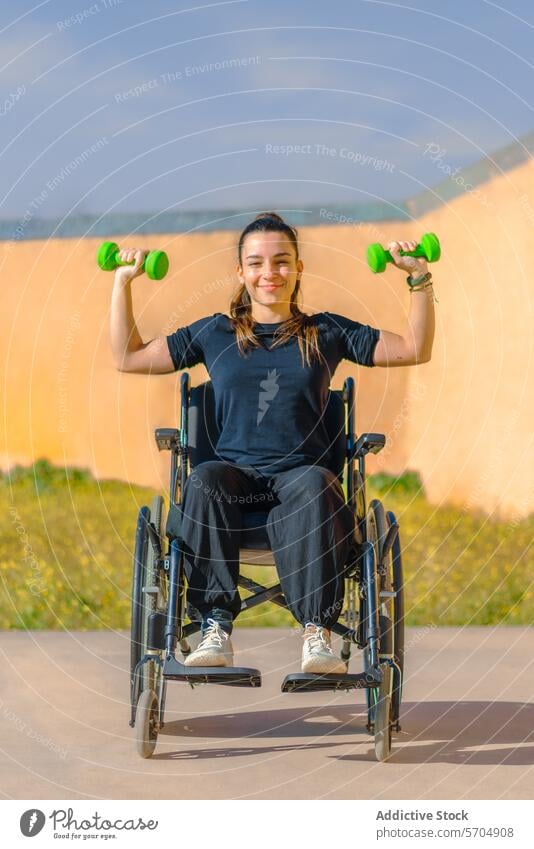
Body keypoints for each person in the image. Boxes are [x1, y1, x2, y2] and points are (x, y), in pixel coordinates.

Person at [110, 212, 435, 673]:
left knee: (317, 483)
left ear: (299, 268)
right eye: (257, 263)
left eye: (281, 261)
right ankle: (214, 627)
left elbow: (414, 349)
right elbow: (127, 356)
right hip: (233, 488)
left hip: (301, 485)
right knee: (202, 480)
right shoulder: (214, 333)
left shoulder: (326, 332)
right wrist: (123, 283)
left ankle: (317, 634)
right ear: (241, 272)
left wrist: (420, 279)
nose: (270, 273)